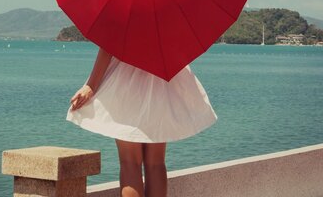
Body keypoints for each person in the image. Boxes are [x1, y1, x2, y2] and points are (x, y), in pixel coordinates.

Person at [68, 47, 217, 197]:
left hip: (127, 81)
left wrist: (91, 85)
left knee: (130, 163)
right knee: (156, 164)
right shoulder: (165, 23)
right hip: (161, 80)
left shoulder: (124, 22)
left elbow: (108, 45)